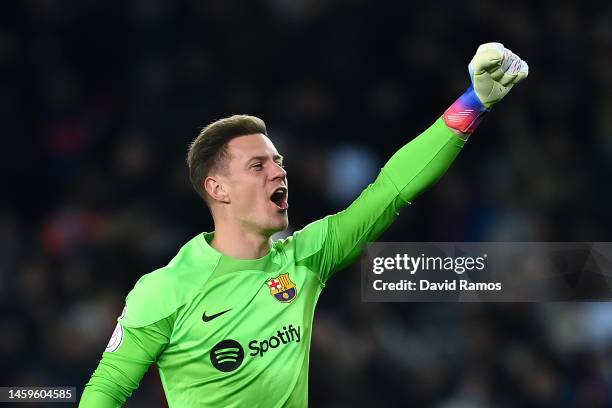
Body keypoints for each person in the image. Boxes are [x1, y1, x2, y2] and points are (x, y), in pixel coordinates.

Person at [79, 42, 528, 407]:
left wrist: (474, 101)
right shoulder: (166, 289)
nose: (279, 172)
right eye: (258, 165)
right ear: (218, 189)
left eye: (278, 161)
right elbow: (106, 390)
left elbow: (391, 190)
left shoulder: (306, 257)